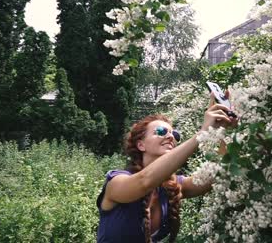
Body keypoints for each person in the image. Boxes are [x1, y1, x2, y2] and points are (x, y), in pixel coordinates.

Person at [96, 92, 238, 243]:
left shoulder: (173, 186)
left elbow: (216, 173)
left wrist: (226, 130)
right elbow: (144, 181)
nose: (171, 137)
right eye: (161, 132)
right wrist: (202, 134)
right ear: (140, 144)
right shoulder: (116, 182)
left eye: (174, 134)